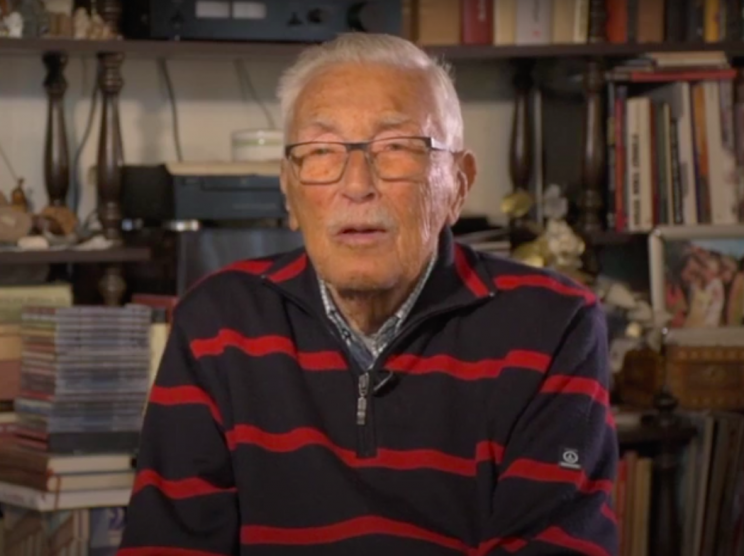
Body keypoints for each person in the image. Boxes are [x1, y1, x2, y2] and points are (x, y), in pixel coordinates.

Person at [118, 33, 618, 555]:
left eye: (396, 148)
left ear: (458, 186)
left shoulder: (551, 326)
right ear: (288, 189)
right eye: (321, 152)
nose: (356, 185)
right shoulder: (218, 325)